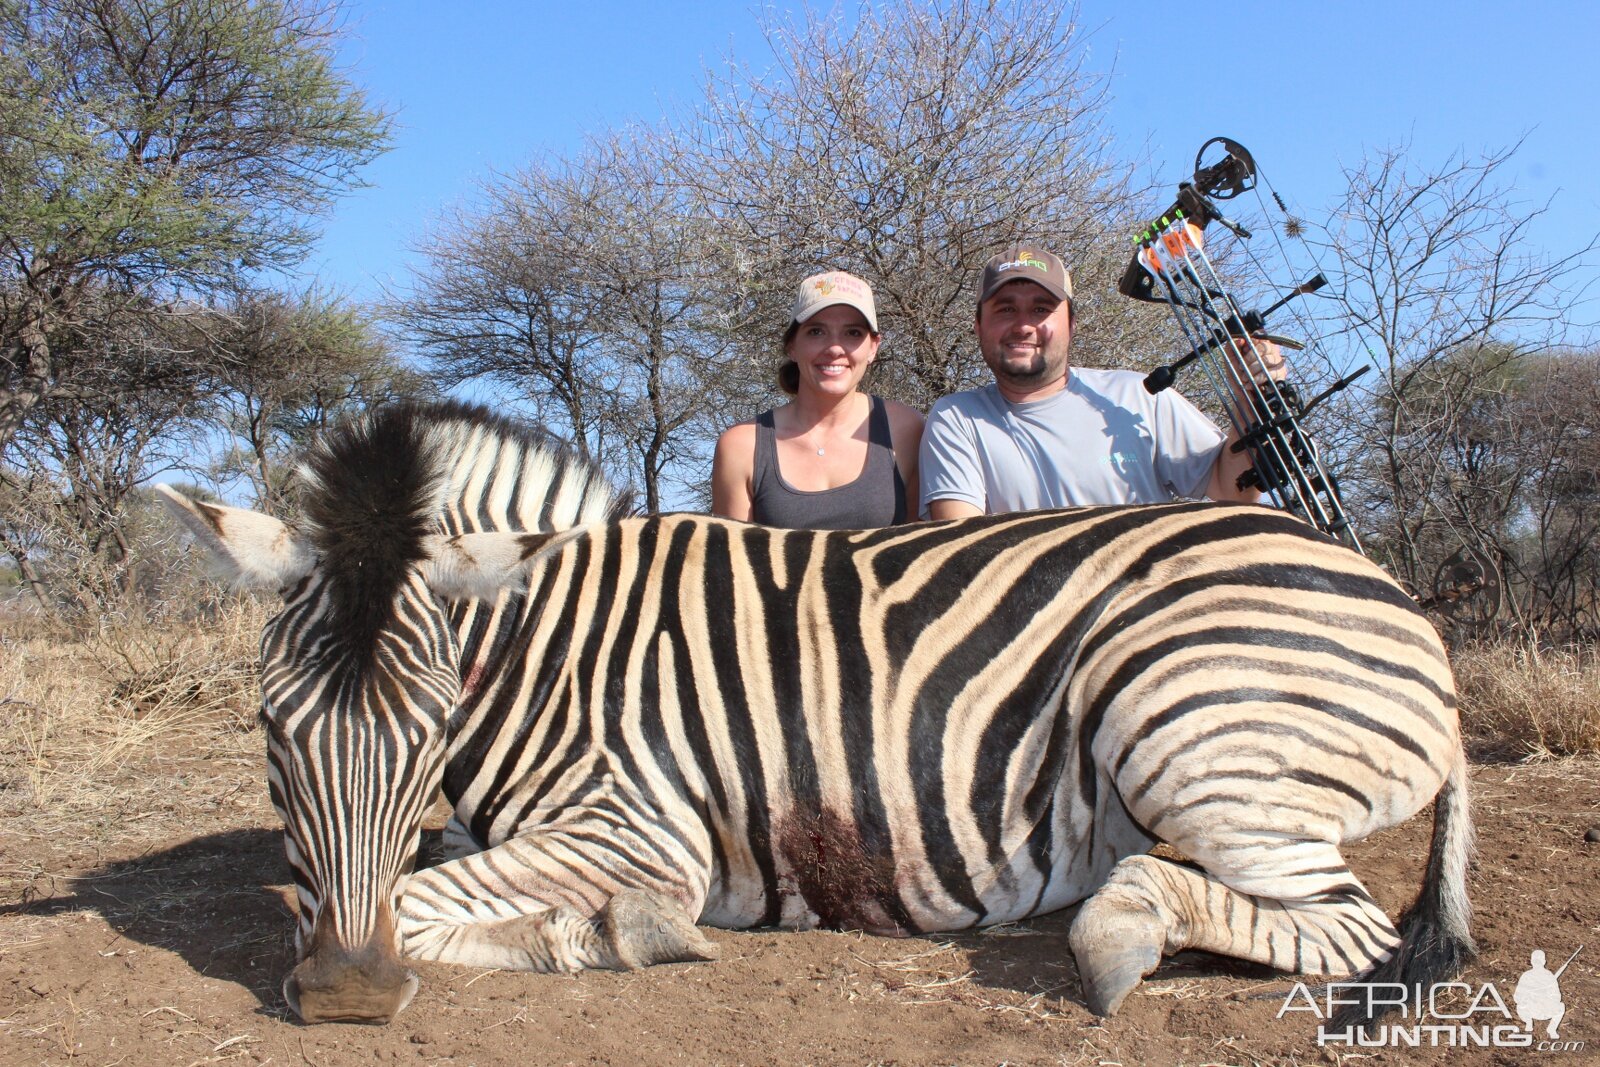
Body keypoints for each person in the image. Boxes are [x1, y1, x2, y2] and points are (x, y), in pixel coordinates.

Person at [919, 244, 1286, 520]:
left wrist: (1252, 398)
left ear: (1072, 325)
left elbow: (1231, 490)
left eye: (1041, 309)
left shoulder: (1140, 395)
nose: (1023, 325)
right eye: (1005, 309)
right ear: (978, 325)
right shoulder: (957, 418)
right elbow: (963, 542)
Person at [712, 270, 924, 529]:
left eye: (853, 333)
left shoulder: (906, 429)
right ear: (792, 346)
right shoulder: (741, 446)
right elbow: (733, 561)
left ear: (873, 347)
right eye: (816, 332)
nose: (835, 348)